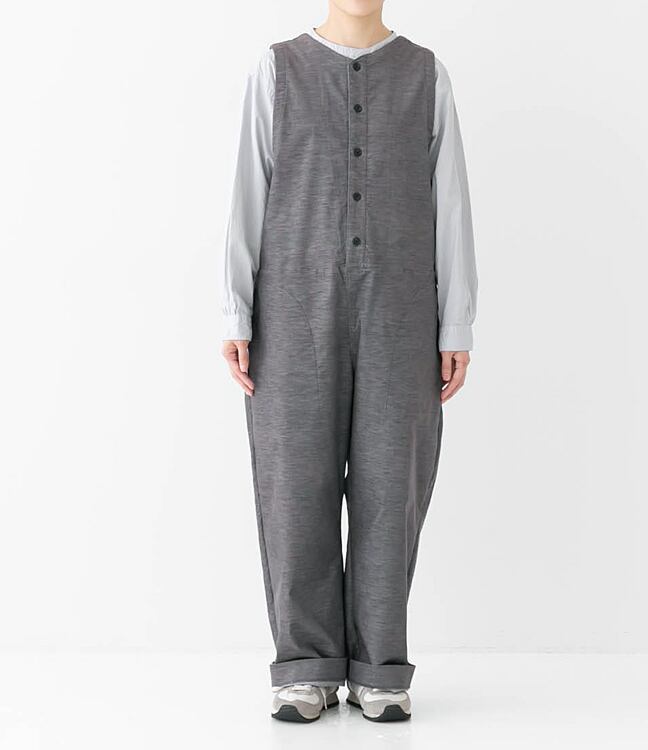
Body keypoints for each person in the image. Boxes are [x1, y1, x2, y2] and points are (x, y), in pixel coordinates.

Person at [221, 0, 477, 723]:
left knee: (390, 486)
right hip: (289, 308)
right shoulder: (277, 68)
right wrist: (235, 311)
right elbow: (248, 189)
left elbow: (451, 203)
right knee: (293, 485)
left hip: (403, 309)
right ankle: (304, 666)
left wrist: (456, 321)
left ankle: (379, 667)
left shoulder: (426, 74)